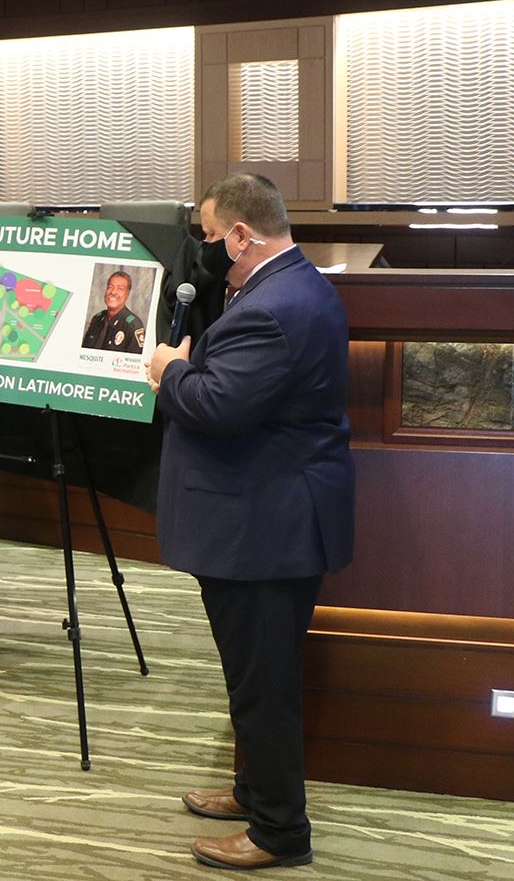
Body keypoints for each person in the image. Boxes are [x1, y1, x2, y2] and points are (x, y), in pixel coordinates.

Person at [146, 174, 354, 871]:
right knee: (250, 676)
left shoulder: (277, 306)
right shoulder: (285, 287)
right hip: (264, 520)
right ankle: (253, 790)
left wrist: (168, 370)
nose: (204, 251)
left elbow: (219, 404)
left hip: (268, 529)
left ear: (241, 234)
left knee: (263, 685)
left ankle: (279, 831)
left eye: (209, 236)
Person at [81, 270, 145, 353]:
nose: (113, 292)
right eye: (110, 287)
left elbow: (135, 364)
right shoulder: (97, 319)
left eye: (120, 289)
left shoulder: (133, 326)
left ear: (127, 295)